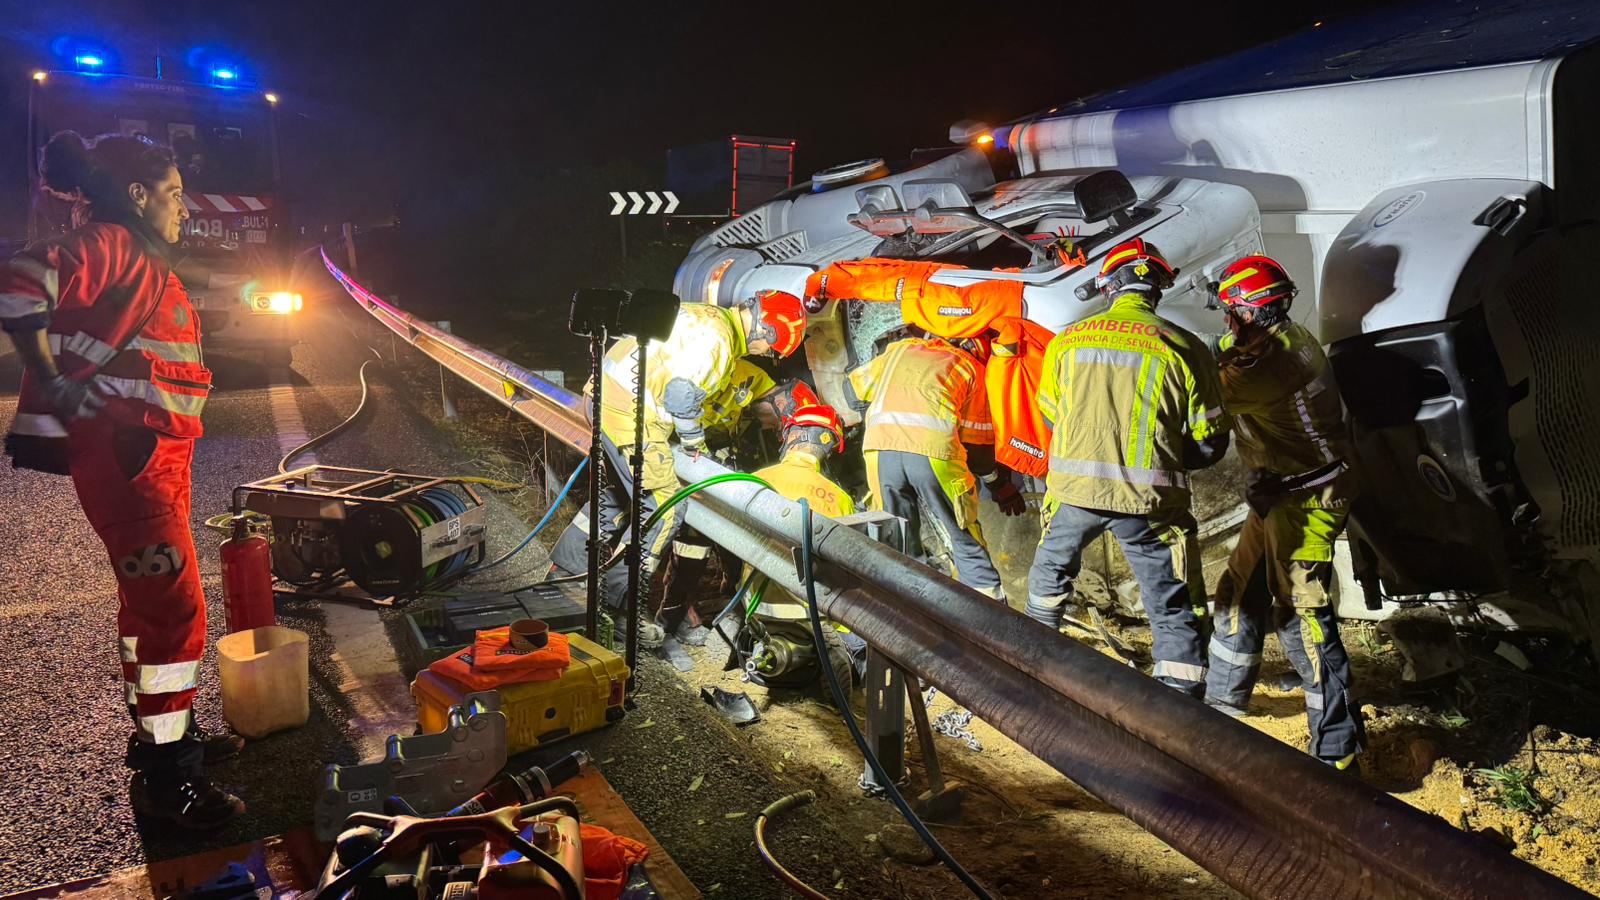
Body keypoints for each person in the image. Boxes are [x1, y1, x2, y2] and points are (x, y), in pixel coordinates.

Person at [0, 131, 243, 827]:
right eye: (172, 194)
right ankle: (173, 779)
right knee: (172, 617)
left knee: (153, 612)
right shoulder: (116, 243)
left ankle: (166, 733)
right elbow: (23, 278)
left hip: (149, 458)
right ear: (136, 196)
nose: (184, 209)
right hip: (133, 462)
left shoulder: (130, 251)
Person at [1026, 238, 1231, 697]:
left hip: (1073, 494)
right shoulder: (1186, 347)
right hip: (1149, 504)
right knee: (1170, 605)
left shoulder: (1067, 342)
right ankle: (1177, 709)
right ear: (1157, 290)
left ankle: (1028, 667)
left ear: (1108, 287)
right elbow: (1210, 443)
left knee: (1048, 581)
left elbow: (1052, 414)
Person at [1201, 254, 1365, 770]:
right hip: (1279, 491)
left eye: (1229, 309)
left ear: (1245, 311)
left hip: (1310, 499)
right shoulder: (1270, 341)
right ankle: (1222, 707)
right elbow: (1223, 353)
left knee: (1302, 616)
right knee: (1238, 590)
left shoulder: (1269, 366)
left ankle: (1338, 753)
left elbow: (1199, 396)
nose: (1225, 319)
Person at [586, 292, 807, 643]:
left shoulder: (710, 317)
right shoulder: (719, 341)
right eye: (771, 349)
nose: (766, 355)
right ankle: (622, 609)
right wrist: (694, 445)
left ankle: (567, 570)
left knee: (615, 497)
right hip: (633, 414)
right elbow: (680, 395)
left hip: (607, 396)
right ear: (767, 330)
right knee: (664, 507)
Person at [845, 329, 1024, 599]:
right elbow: (978, 452)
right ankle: (989, 619)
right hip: (933, 451)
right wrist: (999, 484)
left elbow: (850, 390)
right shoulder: (972, 369)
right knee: (963, 536)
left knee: (899, 542)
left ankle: (918, 615)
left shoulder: (902, 349)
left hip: (879, 449)